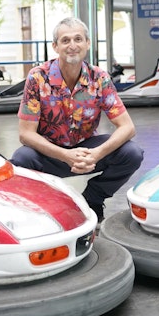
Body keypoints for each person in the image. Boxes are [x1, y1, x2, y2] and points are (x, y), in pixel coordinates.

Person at [12, 17, 144, 221]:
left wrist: (96, 153)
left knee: (132, 152)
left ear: (87, 44)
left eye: (78, 39)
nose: (72, 46)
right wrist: (66, 156)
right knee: (21, 160)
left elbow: (127, 127)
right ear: (55, 46)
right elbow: (26, 134)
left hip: (87, 150)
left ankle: (93, 198)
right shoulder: (38, 77)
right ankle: (44, 207)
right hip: (50, 153)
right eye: (65, 40)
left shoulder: (99, 78)